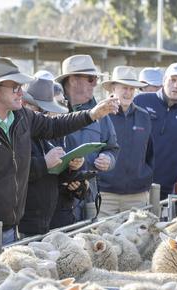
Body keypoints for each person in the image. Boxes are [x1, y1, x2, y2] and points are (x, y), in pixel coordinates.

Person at [0, 57, 119, 245]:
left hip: (11, 228)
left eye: (21, 87)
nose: (21, 92)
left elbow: (54, 125)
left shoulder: (21, 116)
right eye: (15, 87)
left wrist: (92, 114)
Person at [17, 77, 86, 236]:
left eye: (62, 103)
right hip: (29, 220)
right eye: (45, 109)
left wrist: (74, 172)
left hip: (60, 217)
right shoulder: (19, 134)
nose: (50, 113)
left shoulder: (61, 135)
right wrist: (45, 163)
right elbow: (15, 172)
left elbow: (62, 177)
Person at [55, 54, 119, 220]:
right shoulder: (52, 110)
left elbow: (112, 148)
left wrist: (108, 159)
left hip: (89, 196)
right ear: (73, 80)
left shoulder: (101, 112)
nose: (95, 84)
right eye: (90, 79)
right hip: (56, 200)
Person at [133, 62, 177, 200]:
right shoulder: (141, 101)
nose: (175, 85)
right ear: (164, 80)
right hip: (132, 187)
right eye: (172, 80)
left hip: (165, 190)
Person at [97, 66, 154, 217]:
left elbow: (149, 153)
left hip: (137, 196)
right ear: (113, 88)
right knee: (102, 239)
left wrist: (144, 178)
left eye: (131, 89)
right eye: (124, 88)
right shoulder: (100, 114)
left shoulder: (144, 117)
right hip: (106, 195)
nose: (128, 93)